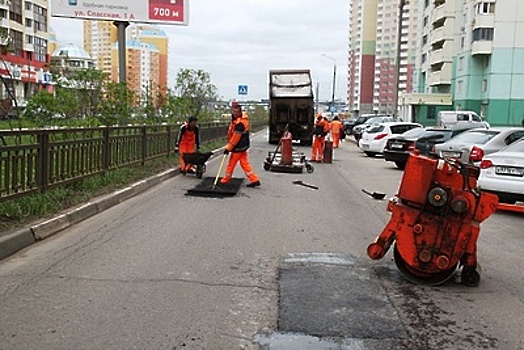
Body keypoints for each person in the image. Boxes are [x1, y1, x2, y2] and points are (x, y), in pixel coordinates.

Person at [220, 103, 261, 187]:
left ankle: (225, 179)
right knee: (244, 163)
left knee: (231, 163)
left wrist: (228, 148)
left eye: (236, 112)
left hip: (238, 147)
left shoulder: (240, 123)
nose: (234, 114)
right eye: (233, 112)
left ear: (240, 112)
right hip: (243, 146)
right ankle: (254, 179)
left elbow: (236, 137)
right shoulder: (241, 120)